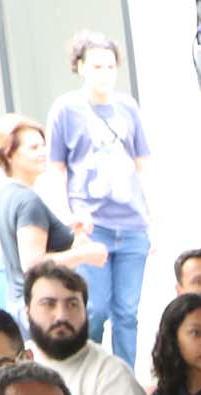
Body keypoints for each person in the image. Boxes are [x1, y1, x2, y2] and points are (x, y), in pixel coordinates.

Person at [42, 33, 152, 366]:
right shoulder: (65, 109)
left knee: (127, 312)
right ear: (80, 67)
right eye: (96, 65)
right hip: (93, 225)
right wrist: (68, 220)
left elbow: (144, 166)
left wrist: (153, 222)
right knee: (95, 307)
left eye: (109, 65)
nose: (104, 72)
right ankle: (84, 372)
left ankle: (125, 376)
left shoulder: (128, 107)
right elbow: (56, 169)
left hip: (132, 223)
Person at [0, 113, 98, 314]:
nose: (43, 152)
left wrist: (68, 230)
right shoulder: (28, 201)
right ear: (9, 154)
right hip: (41, 311)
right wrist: (85, 254)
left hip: (20, 306)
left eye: (43, 145)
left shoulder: (5, 194)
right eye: (34, 148)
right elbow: (33, 263)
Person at [21, 260, 148, 395]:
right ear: (27, 311)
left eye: (72, 304)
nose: (61, 316)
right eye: (48, 304)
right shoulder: (10, 363)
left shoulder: (112, 375)